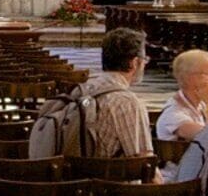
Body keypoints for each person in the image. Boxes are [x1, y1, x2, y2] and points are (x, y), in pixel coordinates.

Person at [33, 28, 156, 164]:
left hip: (71, 179)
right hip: (111, 182)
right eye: (145, 60)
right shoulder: (127, 102)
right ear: (134, 63)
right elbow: (144, 162)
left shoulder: (82, 87)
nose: (145, 64)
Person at [157, 48, 208, 181]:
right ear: (188, 77)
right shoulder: (174, 114)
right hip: (180, 182)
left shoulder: (200, 106)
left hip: (200, 175)